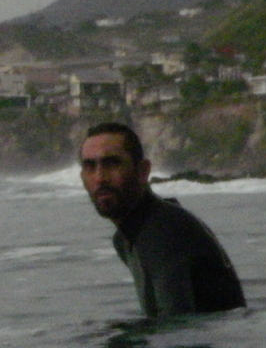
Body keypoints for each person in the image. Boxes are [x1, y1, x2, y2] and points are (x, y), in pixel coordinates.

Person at [79, 122, 245, 317]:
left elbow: (175, 325)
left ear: (143, 171)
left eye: (112, 164)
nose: (99, 178)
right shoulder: (128, 237)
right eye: (90, 166)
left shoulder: (163, 232)